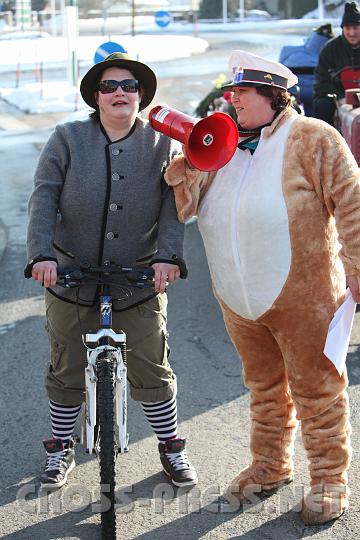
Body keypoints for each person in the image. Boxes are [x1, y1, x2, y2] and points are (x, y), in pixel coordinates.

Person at [165, 49, 360, 526]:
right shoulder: (222, 142)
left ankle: (330, 478)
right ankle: (271, 465)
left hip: (303, 294)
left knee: (317, 389)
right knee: (264, 387)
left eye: (242, 92)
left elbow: (353, 202)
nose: (232, 100)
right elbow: (185, 210)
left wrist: (356, 267)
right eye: (230, 92)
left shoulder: (312, 138)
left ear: (275, 96)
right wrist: (186, 166)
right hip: (238, 296)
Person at [24, 52, 197, 490]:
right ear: (96, 98)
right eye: (109, 86)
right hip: (70, 274)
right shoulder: (66, 137)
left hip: (138, 276)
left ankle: (171, 447)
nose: (120, 91)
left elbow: (173, 208)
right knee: (65, 366)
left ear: (141, 96)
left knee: (152, 364)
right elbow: (44, 197)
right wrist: (41, 255)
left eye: (129, 85)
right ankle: (59, 448)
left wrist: (168, 257)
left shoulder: (163, 144)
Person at [313, 1, 360, 125]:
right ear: (342, 29)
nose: (352, 33)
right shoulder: (330, 49)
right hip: (336, 97)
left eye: (355, 28)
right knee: (323, 106)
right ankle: (324, 143)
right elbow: (321, 83)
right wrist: (340, 98)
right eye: (348, 28)